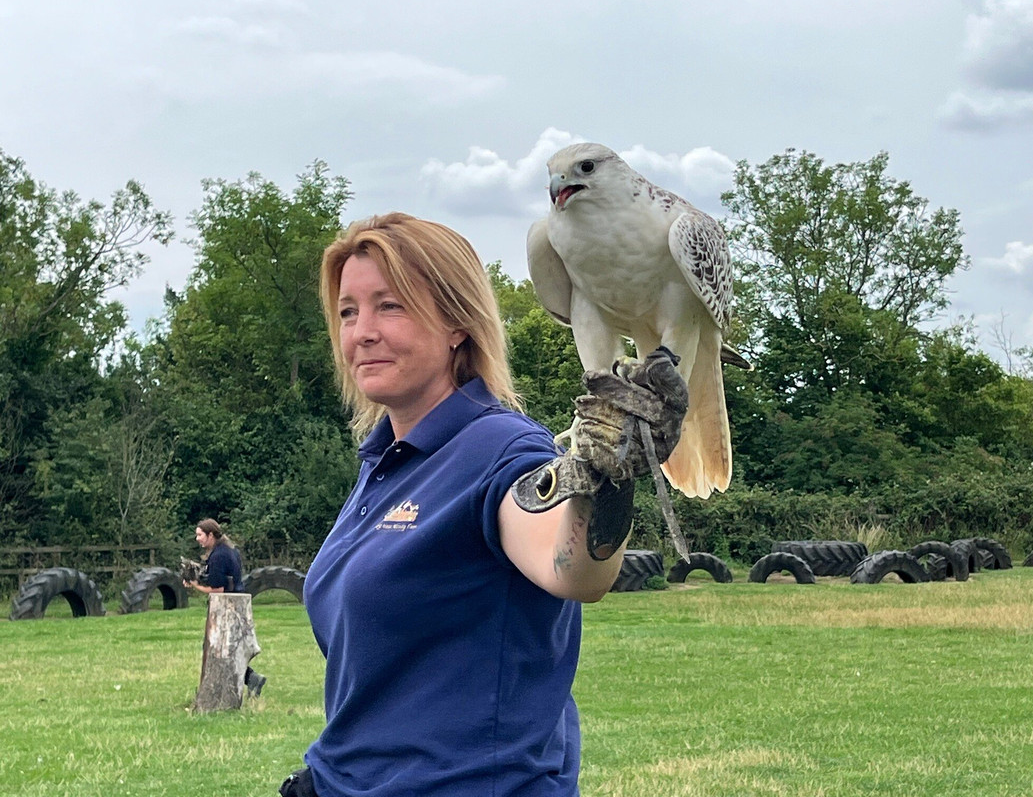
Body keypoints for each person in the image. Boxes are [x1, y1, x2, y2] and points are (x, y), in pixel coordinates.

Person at [279, 213, 687, 797]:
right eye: (348, 311)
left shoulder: (500, 447)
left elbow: (571, 571)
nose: (361, 331)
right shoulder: (386, 462)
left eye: (389, 306)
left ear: (455, 324)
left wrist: (607, 478)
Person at [185, 517, 267, 697]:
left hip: (227, 607)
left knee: (219, 650)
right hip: (237, 602)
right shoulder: (228, 549)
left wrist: (194, 585)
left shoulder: (219, 556)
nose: (197, 539)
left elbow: (217, 589)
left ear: (211, 535)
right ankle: (252, 679)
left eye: (200, 535)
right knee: (228, 650)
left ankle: (247, 680)